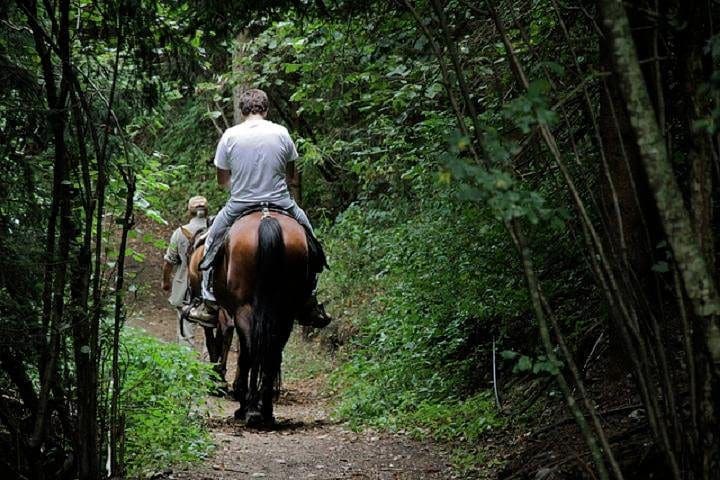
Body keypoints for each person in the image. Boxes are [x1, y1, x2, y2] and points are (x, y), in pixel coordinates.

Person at [186, 88, 330, 327]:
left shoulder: (230, 136)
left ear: (243, 111)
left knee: (211, 242)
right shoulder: (282, 133)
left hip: (240, 204)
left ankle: (208, 302)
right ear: (266, 109)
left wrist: (244, 183)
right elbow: (292, 177)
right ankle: (310, 299)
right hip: (280, 201)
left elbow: (222, 181)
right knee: (311, 241)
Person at [162, 195, 211, 346]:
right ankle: (210, 364)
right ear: (207, 211)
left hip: (186, 288)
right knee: (212, 329)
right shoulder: (218, 230)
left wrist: (166, 281)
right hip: (212, 288)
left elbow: (169, 261)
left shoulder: (180, 232)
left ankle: (187, 363)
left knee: (185, 328)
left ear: (189, 212)